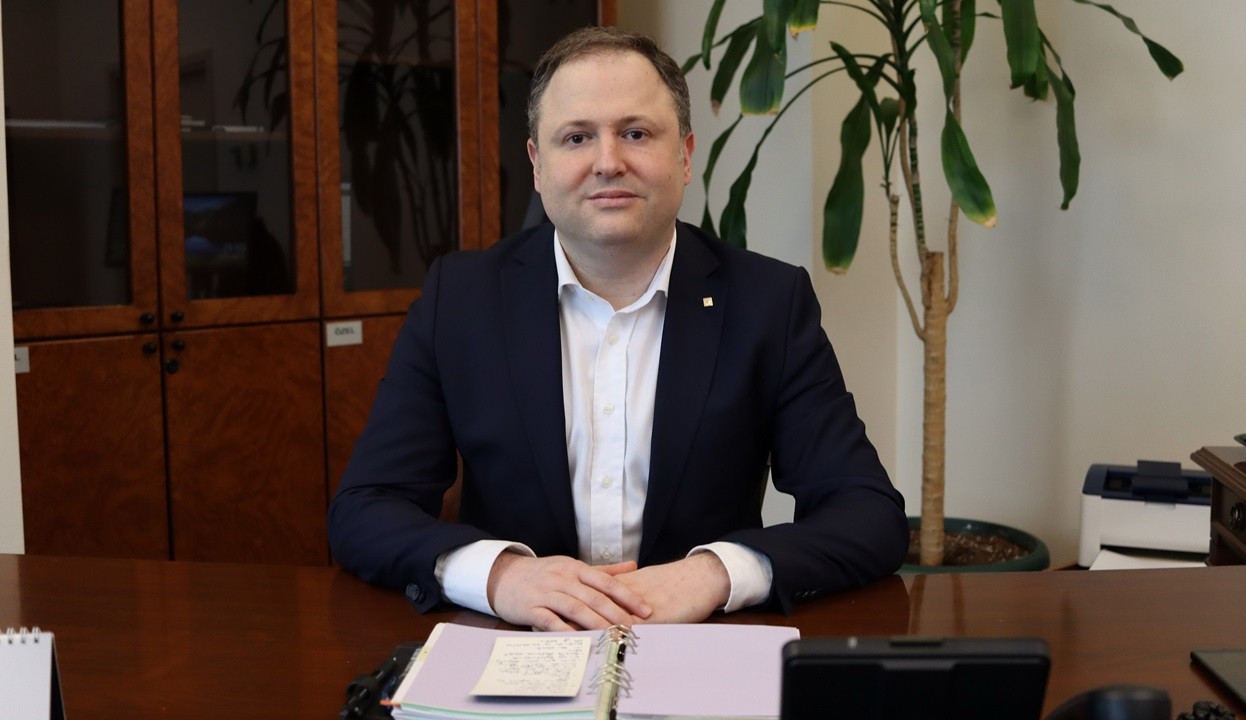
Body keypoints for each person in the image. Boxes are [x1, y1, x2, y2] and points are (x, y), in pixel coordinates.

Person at [328, 26, 907, 631]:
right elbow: (365, 508)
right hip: (514, 646)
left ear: (685, 155)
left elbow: (867, 513)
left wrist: (715, 573)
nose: (608, 162)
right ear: (537, 164)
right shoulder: (461, 299)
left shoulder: (768, 302)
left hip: (698, 642)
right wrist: (500, 576)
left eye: (636, 133)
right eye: (576, 137)